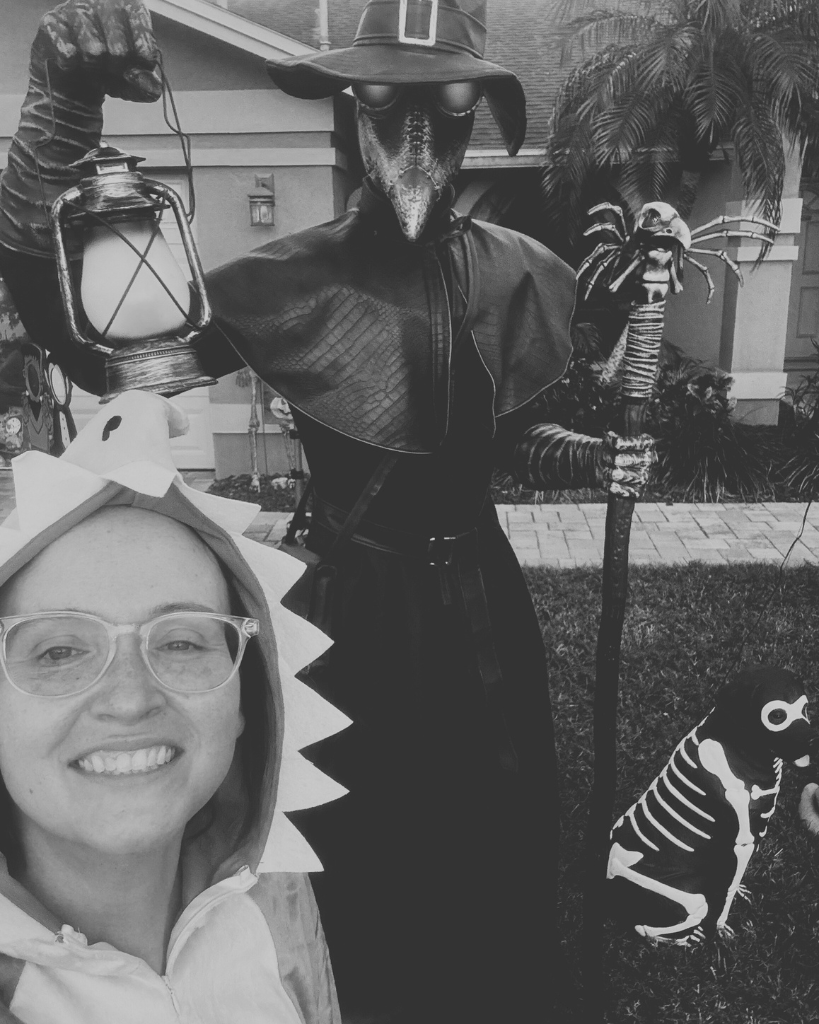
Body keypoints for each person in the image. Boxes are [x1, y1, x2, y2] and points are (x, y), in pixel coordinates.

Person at [0, 2, 655, 1018]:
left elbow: (488, 439)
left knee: (501, 827)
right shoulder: (286, 283)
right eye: (386, 107)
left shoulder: (521, 270)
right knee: (364, 841)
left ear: (483, 110)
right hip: (355, 605)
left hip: (485, 599)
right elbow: (97, 347)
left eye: (446, 108)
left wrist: (595, 456)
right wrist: (56, 115)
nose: (416, 141)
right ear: (351, 115)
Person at [0, 389, 349, 1023]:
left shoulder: (273, 893)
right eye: (59, 653)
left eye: (183, 641)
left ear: (251, 699)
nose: (131, 698)